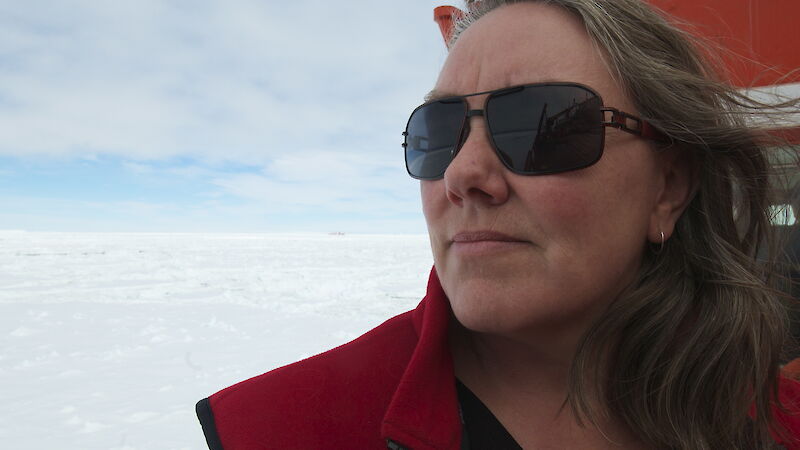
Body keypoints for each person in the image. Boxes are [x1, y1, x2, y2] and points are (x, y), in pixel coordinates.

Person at [196, 0, 800, 448]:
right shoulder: (279, 429)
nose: (462, 174)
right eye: (437, 133)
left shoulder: (778, 422)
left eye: (543, 125)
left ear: (667, 188)